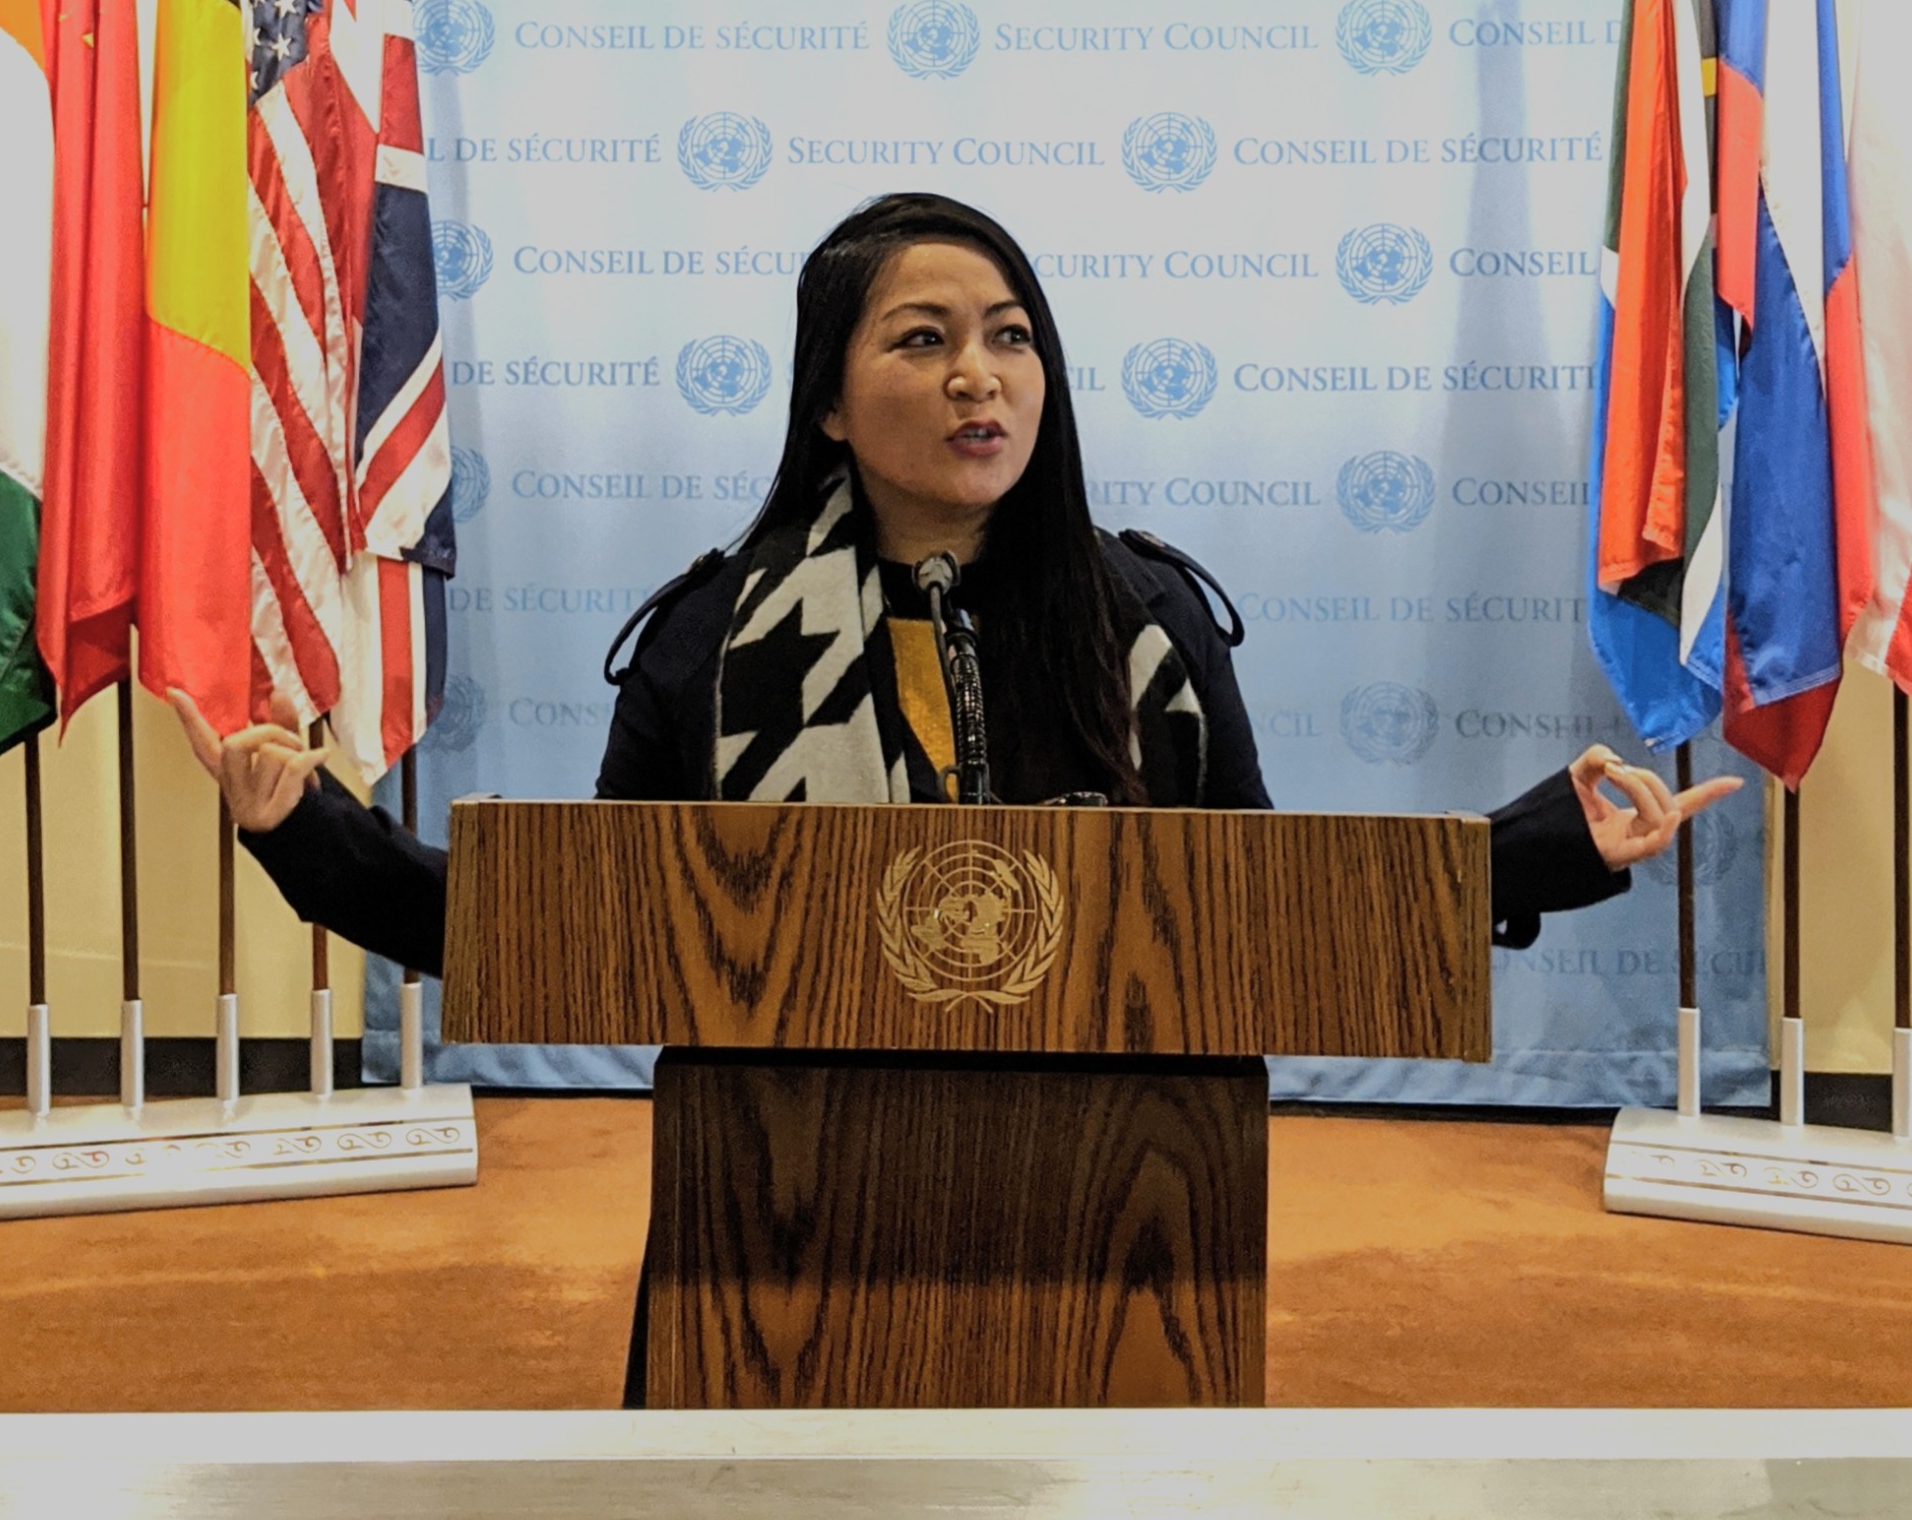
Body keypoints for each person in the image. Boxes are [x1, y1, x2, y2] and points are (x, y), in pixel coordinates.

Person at [173, 192, 1739, 974]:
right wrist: (299, 830)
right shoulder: (716, 642)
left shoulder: (1150, 623)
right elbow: (572, 928)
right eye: (923, 340)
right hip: (791, 1179)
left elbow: (1259, 912)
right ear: (833, 402)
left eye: (1010, 335)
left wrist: (1546, 850)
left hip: (1122, 1173)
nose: (981, 377)